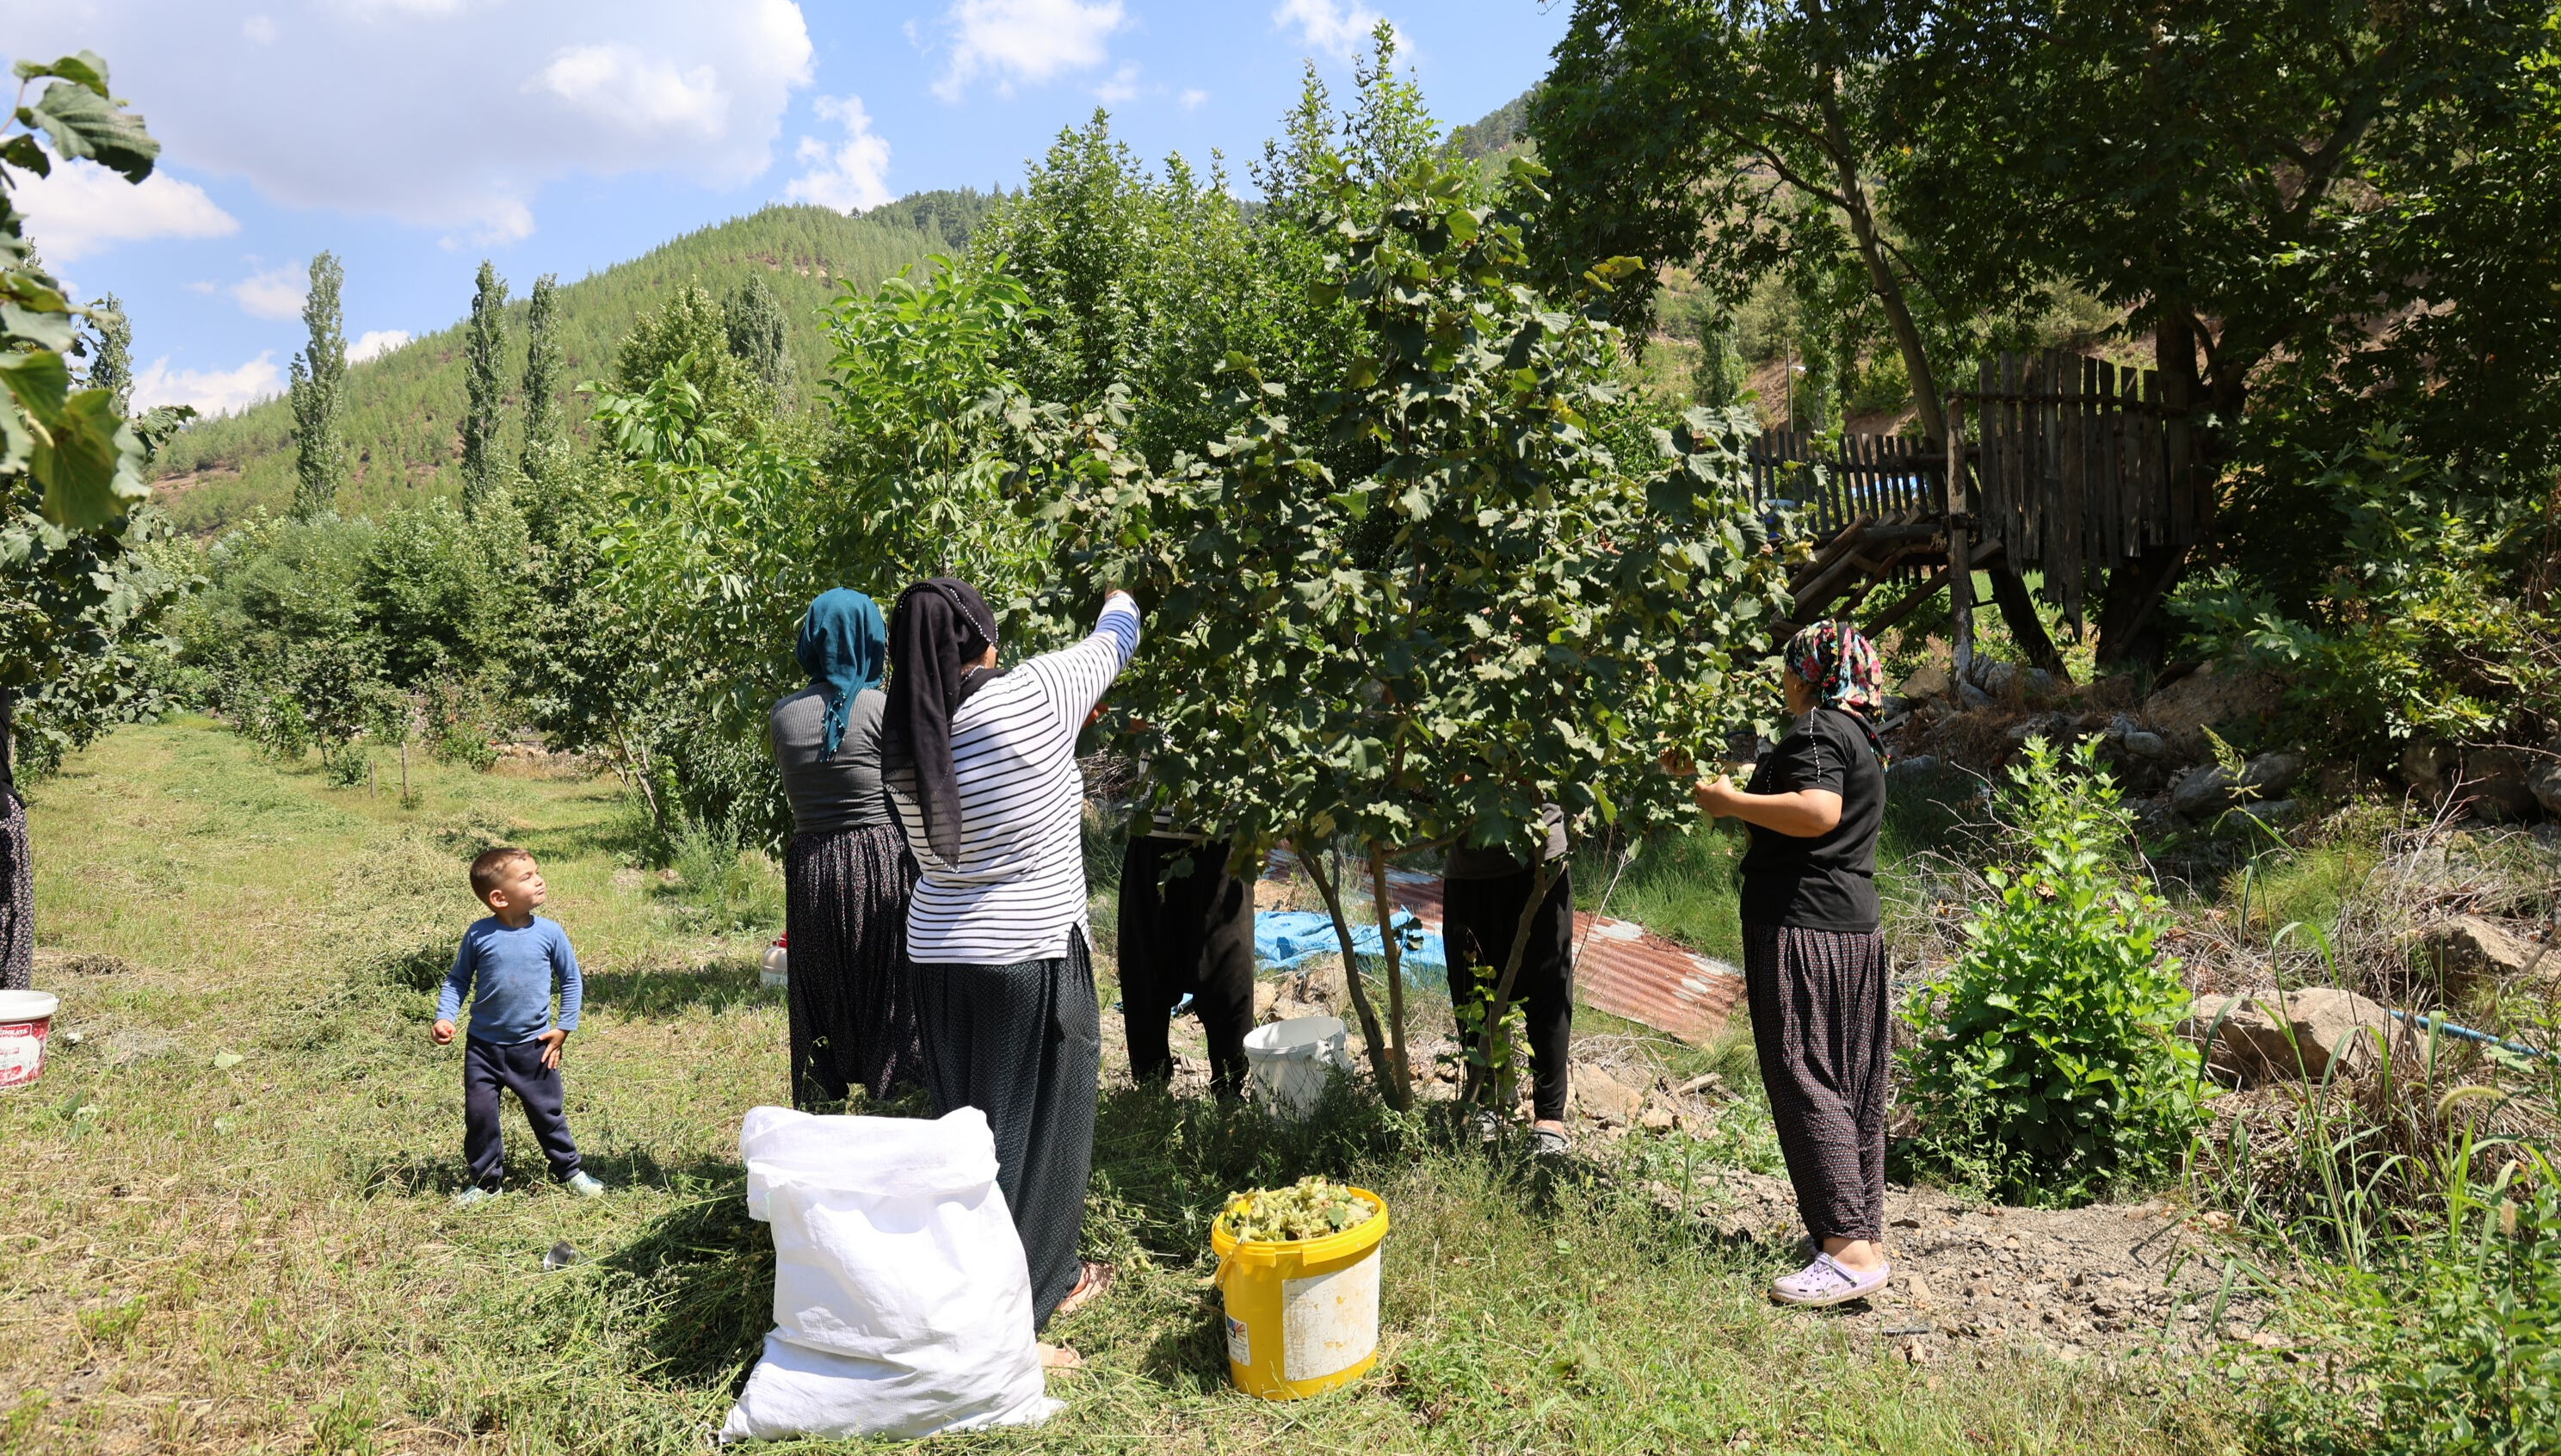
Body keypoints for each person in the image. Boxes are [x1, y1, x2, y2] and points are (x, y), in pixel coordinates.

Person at [883, 578, 1140, 1347]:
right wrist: (1119, 590)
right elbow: (1115, 641)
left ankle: (969, 1272)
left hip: (936, 952)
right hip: (1026, 952)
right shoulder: (1030, 696)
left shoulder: (901, 731)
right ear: (982, 636)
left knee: (971, 1127)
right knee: (1047, 1127)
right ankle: (1033, 1297)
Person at [1690, 620, 1891, 1307]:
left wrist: (1728, 803)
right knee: (1849, 1079)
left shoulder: (1813, 732)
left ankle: (1847, 1252)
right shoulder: (1861, 738)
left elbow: (1816, 811)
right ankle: (1860, 1235)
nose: (1781, 682)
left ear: (1810, 673)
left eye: (1787, 669)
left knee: (1804, 1071)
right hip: (1854, 930)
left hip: (1800, 926)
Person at [769, 588, 918, 1108]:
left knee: (821, 980)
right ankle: (896, 1093)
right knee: (889, 983)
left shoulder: (783, 715)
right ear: (873, 639)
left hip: (811, 862)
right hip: (880, 859)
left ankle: (823, 1094)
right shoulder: (884, 709)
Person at [434, 846, 606, 1206]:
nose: (539, 879)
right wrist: (445, 1016)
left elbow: (571, 981)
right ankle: (486, 1183)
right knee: (480, 1115)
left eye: (537, 872)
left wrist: (564, 1029)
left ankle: (570, 1170)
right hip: (483, 1047)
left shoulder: (550, 933)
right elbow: (457, 980)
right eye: (527, 877)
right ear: (498, 897)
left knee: (547, 1112)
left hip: (535, 1046)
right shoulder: (479, 935)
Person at [1442, 803, 1575, 1153]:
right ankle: (1488, 1101)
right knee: (1474, 992)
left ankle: (1549, 1118)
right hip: (1469, 867)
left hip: (1539, 860)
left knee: (1547, 990)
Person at [1117, 821, 1255, 1100]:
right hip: (1152, 835)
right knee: (1145, 974)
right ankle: (1151, 1091)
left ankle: (1231, 1093)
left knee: (1231, 973)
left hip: (1223, 841)